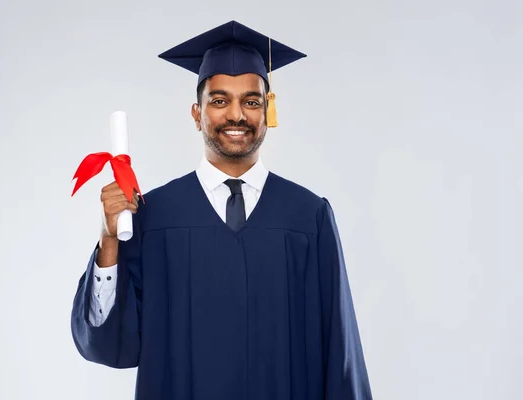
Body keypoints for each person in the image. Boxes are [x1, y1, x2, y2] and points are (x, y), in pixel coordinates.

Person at [71, 20, 373, 400]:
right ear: (197, 114)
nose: (236, 115)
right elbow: (109, 344)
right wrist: (109, 239)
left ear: (267, 112)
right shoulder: (154, 215)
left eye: (251, 101)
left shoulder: (308, 216)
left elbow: (340, 351)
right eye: (219, 101)